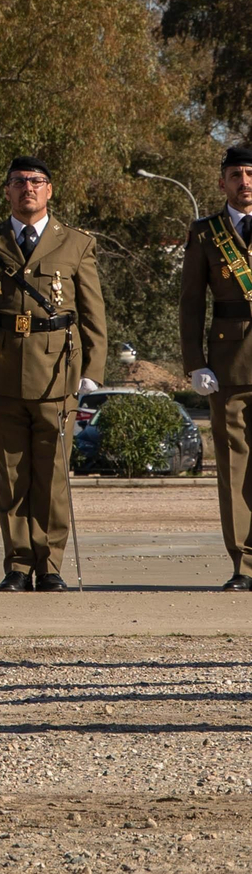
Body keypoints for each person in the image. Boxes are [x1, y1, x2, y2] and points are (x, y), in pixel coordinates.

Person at [0, 156, 106, 592]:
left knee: (53, 474)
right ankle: (18, 564)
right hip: (0, 370)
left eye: (36, 181)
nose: (27, 188)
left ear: (50, 190)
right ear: (8, 192)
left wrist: (93, 369)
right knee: (12, 474)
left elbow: (93, 314)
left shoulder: (75, 244)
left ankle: (50, 564)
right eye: (18, 182)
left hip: (58, 371)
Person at [181, 144, 252, 589]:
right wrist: (195, 363)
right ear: (221, 182)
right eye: (236, 175)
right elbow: (191, 304)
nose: (244, 182)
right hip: (227, 365)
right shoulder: (206, 233)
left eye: (250, 173)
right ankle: (244, 564)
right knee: (234, 469)